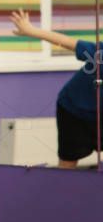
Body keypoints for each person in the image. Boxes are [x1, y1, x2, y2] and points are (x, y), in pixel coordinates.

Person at [10, 9, 101, 168]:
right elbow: (68, 41)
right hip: (74, 110)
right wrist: (31, 30)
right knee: (68, 161)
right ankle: (62, 190)